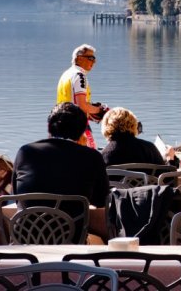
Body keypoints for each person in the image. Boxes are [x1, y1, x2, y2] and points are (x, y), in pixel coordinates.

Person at [13, 103, 110, 240]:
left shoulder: (25, 152)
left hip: (24, 237)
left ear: (49, 127)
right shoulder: (92, 157)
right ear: (82, 131)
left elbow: (17, 196)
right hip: (70, 238)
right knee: (99, 240)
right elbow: (101, 201)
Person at [56, 44, 105, 149]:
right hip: (78, 126)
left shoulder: (66, 74)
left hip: (61, 124)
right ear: (79, 58)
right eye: (90, 58)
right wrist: (99, 111)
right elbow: (81, 105)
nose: (94, 62)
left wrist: (91, 110)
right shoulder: (80, 76)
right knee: (89, 158)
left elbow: (71, 102)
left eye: (94, 59)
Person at [101, 107, 174, 166]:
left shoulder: (104, 155)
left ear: (106, 126)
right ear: (134, 124)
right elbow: (167, 179)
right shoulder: (149, 149)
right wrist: (170, 158)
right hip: (147, 184)